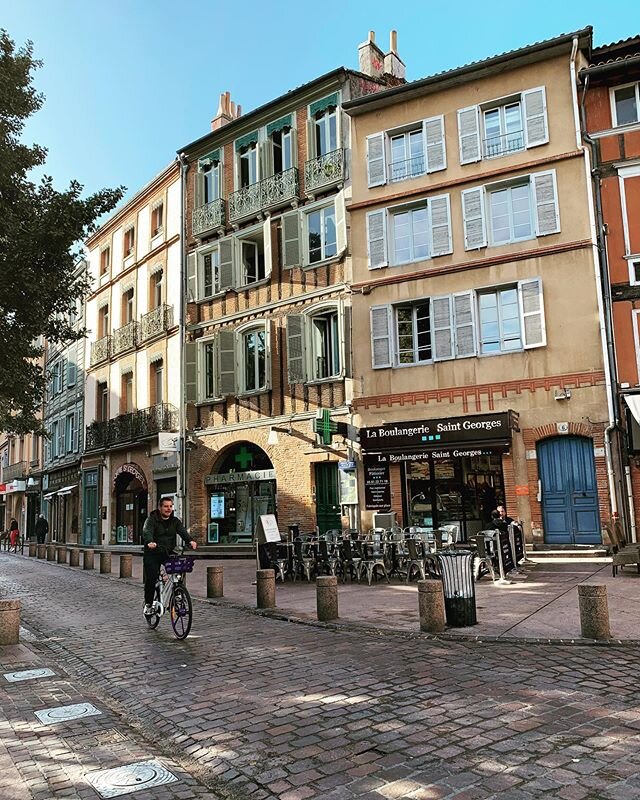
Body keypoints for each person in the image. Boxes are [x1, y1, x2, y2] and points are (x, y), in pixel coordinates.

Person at [142, 497, 197, 616]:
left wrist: (190, 541)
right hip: (153, 553)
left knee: (178, 572)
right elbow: (147, 531)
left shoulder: (175, 521)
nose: (168, 509)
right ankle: (148, 605)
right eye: (166, 506)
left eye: (170, 506)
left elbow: (182, 531)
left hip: (168, 552)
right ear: (160, 507)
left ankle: (177, 594)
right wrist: (150, 541)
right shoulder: (151, 520)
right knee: (151, 578)